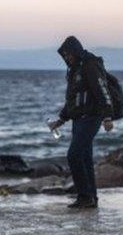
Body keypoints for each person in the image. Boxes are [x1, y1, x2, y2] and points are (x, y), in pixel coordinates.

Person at [48, 36, 115, 209]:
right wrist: (61, 120)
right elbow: (73, 99)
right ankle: (91, 198)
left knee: (74, 155)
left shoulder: (89, 65)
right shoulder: (74, 70)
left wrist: (108, 116)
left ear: (75, 51)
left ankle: (84, 196)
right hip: (78, 120)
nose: (67, 58)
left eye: (69, 54)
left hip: (91, 118)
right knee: (84, 158)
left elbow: (102, 90)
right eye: (65, 56)